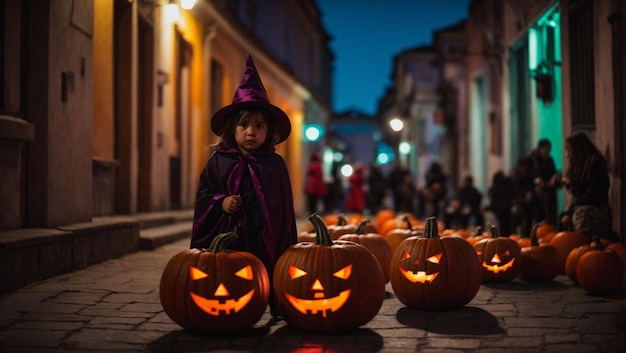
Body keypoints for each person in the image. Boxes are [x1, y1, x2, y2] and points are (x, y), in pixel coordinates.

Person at [190, 54, 297, 317]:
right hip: (227, 232)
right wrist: (221, 201)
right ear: (232, 129)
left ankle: (271, 299)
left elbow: (282, 209)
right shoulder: (219, 162)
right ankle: (228, 306)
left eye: (259, 126)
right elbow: (205, 193)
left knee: (262, 268)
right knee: (228, 272)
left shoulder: (275, 165)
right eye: (244, 125)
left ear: (268, 131)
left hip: (263, 234)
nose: (251, 132)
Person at [560, 131, 617, 241]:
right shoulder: (578, 168)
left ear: (577, 150)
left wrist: (571, 209)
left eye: (568, 150)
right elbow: (578, 196)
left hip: (598, 210)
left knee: (580, 216)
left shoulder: (596, 164)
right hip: (583, 207)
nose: (567, 155)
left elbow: (593, 195)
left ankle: (595, 244)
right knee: (564, 219)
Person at [530, 139, 560, 225]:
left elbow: (553, 173)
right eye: (545, 149)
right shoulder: (533, 160)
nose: (547, 151)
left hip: (549, 191)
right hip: (537, 195)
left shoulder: (549, 160)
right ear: (540, 148)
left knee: (551, 216)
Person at [511, 156, 537, 237]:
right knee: (521, 223)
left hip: (529, 204)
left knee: (528, 222)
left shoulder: (530, 176)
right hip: (520, 203)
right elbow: (515, 190)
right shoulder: (517, 176)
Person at [487, 171, 515, 236]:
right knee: (507, 223)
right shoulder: (508, 185)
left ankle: (503, 236)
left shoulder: (495, 186)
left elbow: (492, 198)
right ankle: (507, 236)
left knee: (502, 223)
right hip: (507, 207)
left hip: (499, 208)